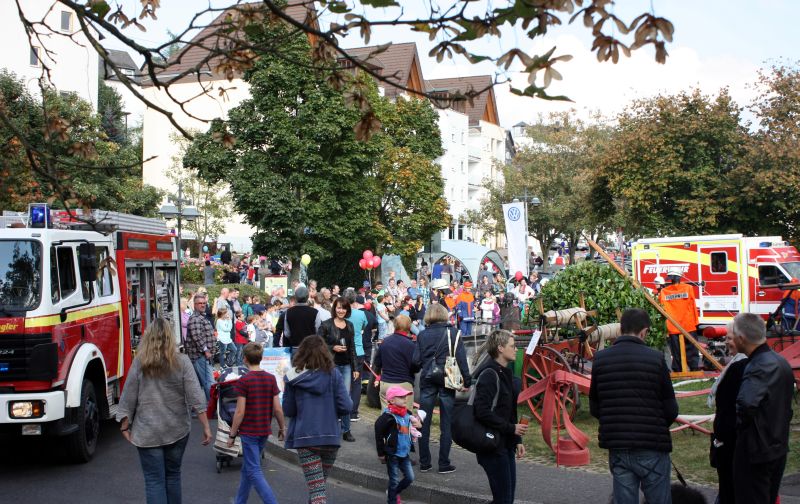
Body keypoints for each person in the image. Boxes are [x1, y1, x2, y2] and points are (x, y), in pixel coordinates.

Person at [116, 318, 212, 504]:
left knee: (154, 481)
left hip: (147, 431)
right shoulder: (182, 361)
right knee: (173, 476)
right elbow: (195, 396)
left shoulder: (140, 362)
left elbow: (129, 394)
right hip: (177, 428)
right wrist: (206, 427)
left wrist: (124, 425)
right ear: (171, 337)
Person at [589, 308, 678, 504]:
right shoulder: (656, 359)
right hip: (651, 444)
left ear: (621, 329)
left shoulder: (601, 359)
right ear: (644, 331)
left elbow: (595, 406)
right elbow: (671, 409)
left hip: (617, 443)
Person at [731, 312, 795, 504]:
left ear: (741, 338)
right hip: (778, 445)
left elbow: (746, 406)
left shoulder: (758, 366)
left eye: (733, 335)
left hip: (757, 451)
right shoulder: (781, 362)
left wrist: (738, 431)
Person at [283, 336, 353, 504]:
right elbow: (346, 407)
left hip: (306, 438)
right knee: (318, 488)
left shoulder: (293, 377)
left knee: (317, 492)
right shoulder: (334, 374)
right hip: (330, 438)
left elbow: (289, 409)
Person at [471, 330, 527, 504]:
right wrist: (511, 429)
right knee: (503, 500)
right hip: (492, 446)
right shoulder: (489, 374)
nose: (516, 349)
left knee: (505, 499)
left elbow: (510, 411)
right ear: (501, 348)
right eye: (512, 346)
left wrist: (517, 439)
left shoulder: (506, 373)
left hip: (505, 444)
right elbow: (481, 411)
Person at [227, 342, 286, 504]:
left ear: (244, 359)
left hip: (249, 432)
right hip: (263, 431)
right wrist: (282, 427)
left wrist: (232, 434)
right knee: (248, 468)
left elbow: (239, 412)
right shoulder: (270, 378)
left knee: (253, 470)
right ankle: (240, 501)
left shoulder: (244, 381)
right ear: (261, 358)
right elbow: (277, 409)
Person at [416, 303, 471, 474]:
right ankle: (444, 463)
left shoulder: (422, 335)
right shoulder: (454, 333)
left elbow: (415, 361)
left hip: (427, 378)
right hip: (448, 377)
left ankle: (424, 462)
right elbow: (461, 359)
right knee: (446, 423)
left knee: (423, 421)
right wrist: (467, 381)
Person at [707, 324, 748, 504]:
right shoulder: (742, 363)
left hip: (733, 442)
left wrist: (719, 439)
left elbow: (727, 407)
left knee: (730, 491)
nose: (726, 342)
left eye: (729, 338)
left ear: (741, 339)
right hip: (741, 441)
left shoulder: (738, 368)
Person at [317, 296, 359, 442]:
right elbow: (317, 345)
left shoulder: (350, 325)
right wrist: (332, 347)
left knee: (345, 398)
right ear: (334, 308)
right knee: (331, 397)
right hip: (331, 365)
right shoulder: (326, 325)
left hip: (346, 365)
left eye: (344, 308)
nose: (341, 310)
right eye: (339, 307)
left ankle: (346, 430)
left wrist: (355, 367)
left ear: (347, 310)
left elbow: (352, 348)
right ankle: (330, 428)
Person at [375, 386, 422, 504]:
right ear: (391, 400)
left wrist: (419, 424)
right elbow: (378, 434)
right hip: (393, 454)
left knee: (410, 478)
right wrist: (381, 453)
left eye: (405, 396)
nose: (405, 398)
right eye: (401, 397)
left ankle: (393, 493)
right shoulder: (387, 417)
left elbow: (417, 425)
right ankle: (392, 500)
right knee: (394, 480)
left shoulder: (408, 413)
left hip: (404, 453)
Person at [373, 315, 420, 409]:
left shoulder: (385, 342)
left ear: (395, 325)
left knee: (387, 417)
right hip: (403, 384)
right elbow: (416, 366)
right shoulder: (411, 345)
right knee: (405, 417)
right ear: (409, 327)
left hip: (386, 383)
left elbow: (377, 363)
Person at [658, 268, 700, 371]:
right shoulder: (689, 288)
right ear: (680, 277)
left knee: (676, 350)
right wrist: (696, 322)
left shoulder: (664, 292)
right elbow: (693, 306)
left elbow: (661, 308)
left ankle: (677, 368)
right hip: (688, 324)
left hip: (673, 325)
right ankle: (694, 367)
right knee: (691, 348)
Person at [185, 294, 216, 401]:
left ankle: (201, 408)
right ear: (194, 305)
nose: (203, 305)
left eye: (204, 303)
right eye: (200, 303)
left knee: (202, 383)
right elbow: (196, 336)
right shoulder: (195, 318)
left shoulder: (201, 317)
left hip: (205, 356)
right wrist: (206, 350)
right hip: (200, 356)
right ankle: (211, 408)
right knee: (209, 382)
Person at [345, 289, 369, 422]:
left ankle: (342, 410)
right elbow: (365, 326)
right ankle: (353, 412)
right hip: (358, 351)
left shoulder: (341, 314)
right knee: (356, 383)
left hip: (344, 351)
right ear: (354, 300)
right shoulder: (361, 314)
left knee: (343, 381)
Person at [283, 286, 321, 351]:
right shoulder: (315, 312)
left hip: (295, 348)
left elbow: (287, 333)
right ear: (307, 297)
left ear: (296, 297)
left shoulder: (288, 312)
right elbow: (318, 331)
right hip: (310, 348)